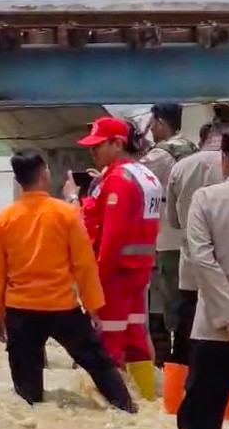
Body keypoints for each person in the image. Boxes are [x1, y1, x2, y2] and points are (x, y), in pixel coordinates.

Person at [0, 148, 136, 412]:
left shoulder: (2, 221)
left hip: (20, 312)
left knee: (27, 393)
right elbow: (84, 265)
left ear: (19, 181)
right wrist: (93, 306)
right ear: (44, 175)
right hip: (62, 308)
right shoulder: (66, 214)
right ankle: (127, 409)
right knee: (99, 364)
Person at [66, 117, 161, 400]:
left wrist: (94, 283)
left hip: (115, 274)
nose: (92, 152)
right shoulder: (144, 174)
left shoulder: (119, 180)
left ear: (117, 143)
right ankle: (145, 401)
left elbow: (113, 238)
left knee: (108, 341)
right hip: (139, 271)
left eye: (98, 146)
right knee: (135, 339)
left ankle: (113, 406)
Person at [163, 120, 229, 413]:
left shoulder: (182, 169)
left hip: (198, 288)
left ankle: (173, 398)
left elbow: (176, 224)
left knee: (187, 344)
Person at [176, 125, 229, 429]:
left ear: (224, 158)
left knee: (200, 415)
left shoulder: (205, 198)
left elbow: (201, 259)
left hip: (214, 327)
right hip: (222, 324)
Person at [141, 102, 199, 367]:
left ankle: (172, 362)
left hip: (167, 240)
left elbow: (136, 181)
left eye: (152, 124)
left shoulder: (158, 156)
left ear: (161, 123)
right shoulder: (193, 150)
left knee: (168, 305)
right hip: (195, 239)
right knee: (191, 302)